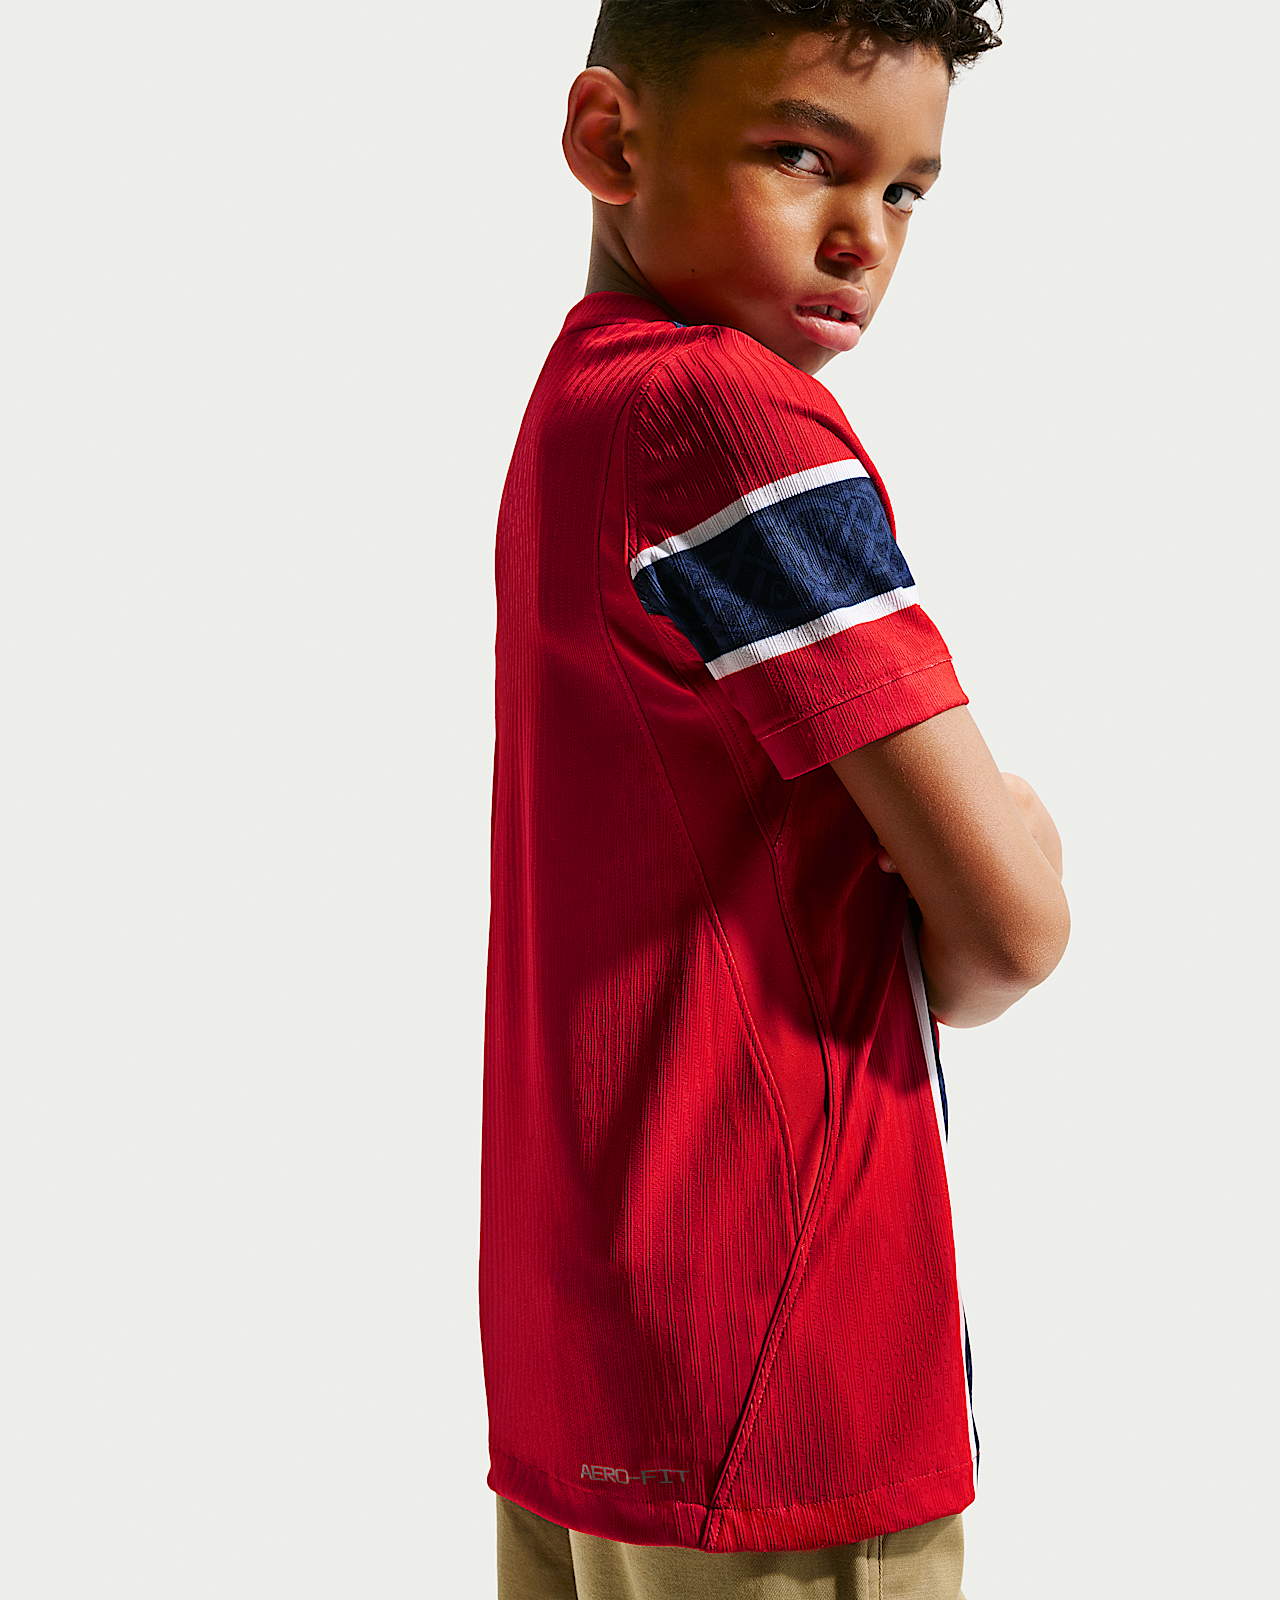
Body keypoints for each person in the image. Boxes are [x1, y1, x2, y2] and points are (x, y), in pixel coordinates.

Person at [481, 2, 1069, 1595]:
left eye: (906, 191)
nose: (864, 235)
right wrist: (1021, 835)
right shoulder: (726, 416)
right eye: (805, 155)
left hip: (591, 1358)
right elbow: (1009, 934)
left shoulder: (576, 413)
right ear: (611, 140)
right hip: (780, 1377)